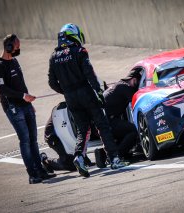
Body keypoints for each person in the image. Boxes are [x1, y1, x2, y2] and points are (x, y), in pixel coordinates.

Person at [48, 23, 128, 177]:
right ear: (73, 35)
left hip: (71, 98)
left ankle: (79, 157)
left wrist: (65, 91)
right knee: (102, 125)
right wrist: (98, 92)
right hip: (86, 94)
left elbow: (52, 83)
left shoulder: (53, 57)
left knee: (83, 129)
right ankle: (115, 159)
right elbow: (90, 74)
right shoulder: (79, 51)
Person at [0, 34, 56, 184]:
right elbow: (1, 89)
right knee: (25, 140)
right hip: (13, 108)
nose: (18, 50)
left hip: (25, 105)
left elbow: (21, 84)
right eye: (16, 47)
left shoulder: (15, 62)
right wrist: (22, 96)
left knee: (33, 140)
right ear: (8, 47)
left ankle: (40, 171)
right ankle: (32, 175)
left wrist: (29, 103)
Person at [94, 70, 141, 168]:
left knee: (122, 133)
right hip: (108, 121)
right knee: (133, 130)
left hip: (100, 120)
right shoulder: (125, 87)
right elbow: (137, 101)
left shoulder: (118, 85)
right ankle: (117, 156)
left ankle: (104, 154)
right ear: (133, 80)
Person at [40, 102, 94, 172]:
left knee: (80, 137)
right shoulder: (65, 108)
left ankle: (81, 158)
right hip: (54, 136)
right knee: (70, 165)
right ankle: (46, 160)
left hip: (65, 133)